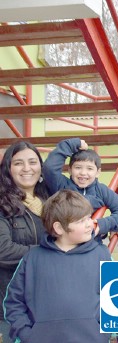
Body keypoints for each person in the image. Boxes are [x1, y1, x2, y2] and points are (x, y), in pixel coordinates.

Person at [4, 189, 111, 343]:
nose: (90, 224)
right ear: (59, 228)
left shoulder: (103, 255)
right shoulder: (32, 259)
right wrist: (27, 335)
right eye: (81, 221)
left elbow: (116, 299)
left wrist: (102, 333)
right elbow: (14, 303)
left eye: (88, 217)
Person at [0, 141, 49, 343]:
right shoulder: (2, 204)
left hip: (46, 302)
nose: (27, 168)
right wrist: (48, 252)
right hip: (10, 304)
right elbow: (3, 251)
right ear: (8, 169)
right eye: (19, 163)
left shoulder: (52, 203)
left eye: (33, 162)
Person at [42, 137, 118, 240]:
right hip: (64, 241)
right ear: (70, 170)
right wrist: (70, 145)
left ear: (98, 172)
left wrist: (103, 224)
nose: (83, 173)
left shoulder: (101, 190)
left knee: (106, 257)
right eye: (78, 167)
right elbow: (49, 168)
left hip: (91, 242)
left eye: (89, 168)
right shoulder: (62, 185)